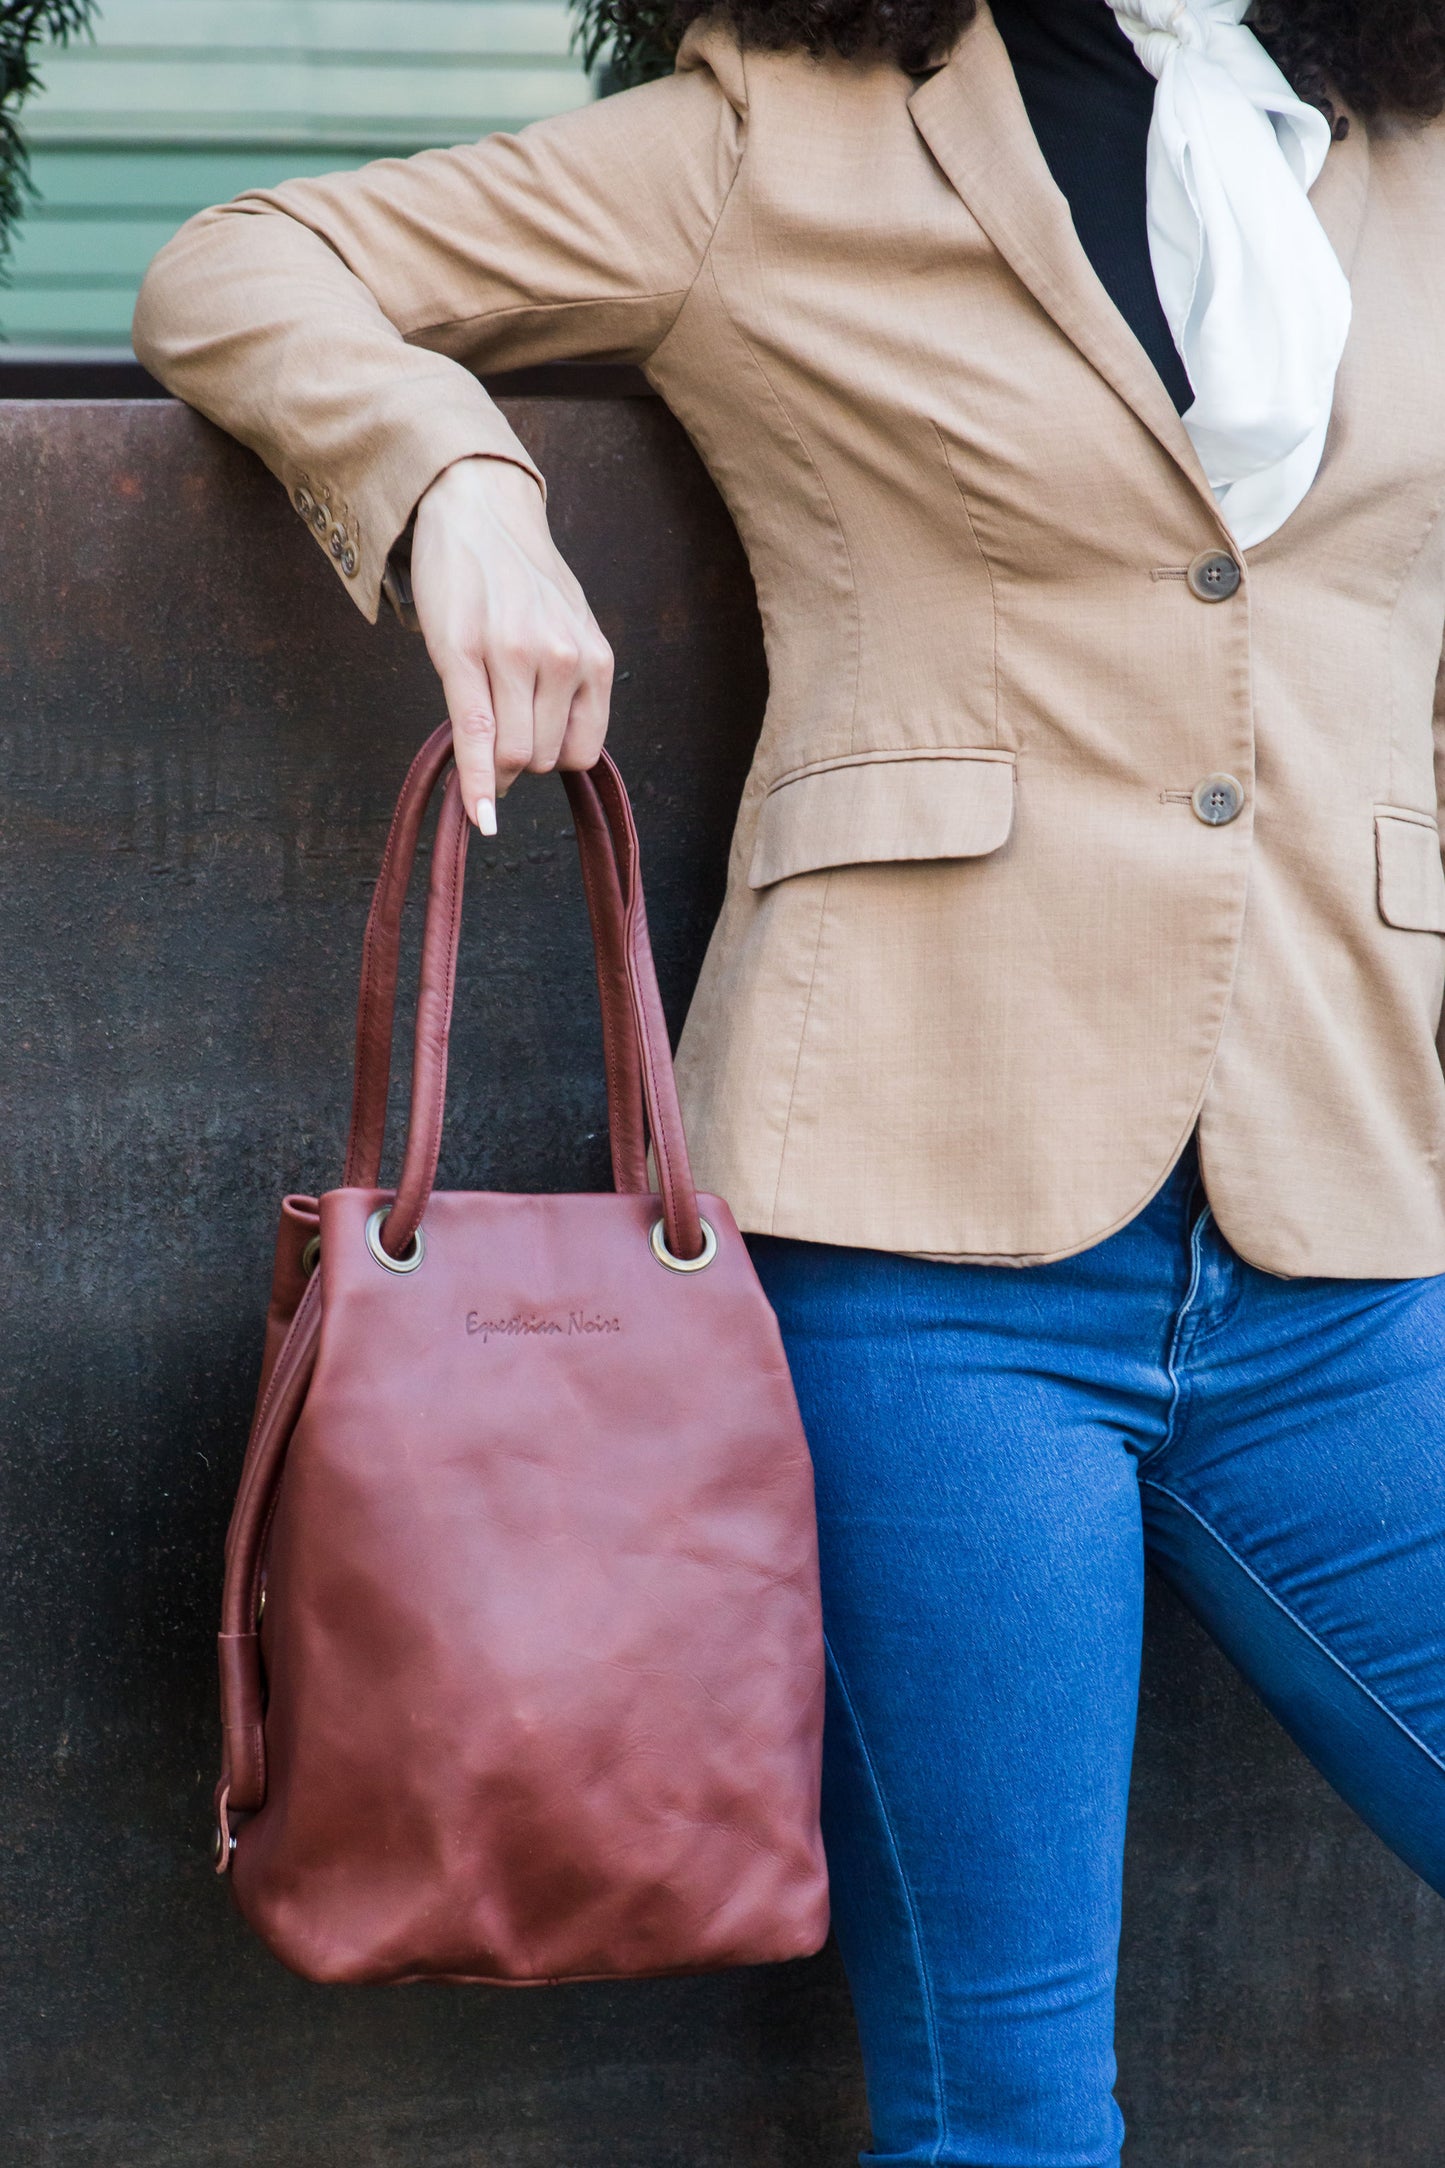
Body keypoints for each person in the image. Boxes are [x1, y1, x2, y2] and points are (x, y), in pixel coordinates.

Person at [133, 3, 1445, 2160]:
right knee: (1012, 2098)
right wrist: (453, 475)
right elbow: (248, 256)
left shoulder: (1410, 155)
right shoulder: (782, 137)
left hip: (1350, 1221)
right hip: (924, 1249)